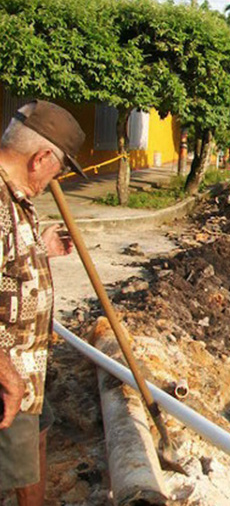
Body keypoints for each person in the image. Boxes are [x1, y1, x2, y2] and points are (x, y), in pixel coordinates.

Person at [0, 100, 86, 506]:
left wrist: (40, 248)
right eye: (62, 167)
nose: (60, 177)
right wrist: (6, 373)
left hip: (24, 376)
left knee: (37, 432)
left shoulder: (15, 197)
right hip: (7, 380)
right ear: (42, 158)